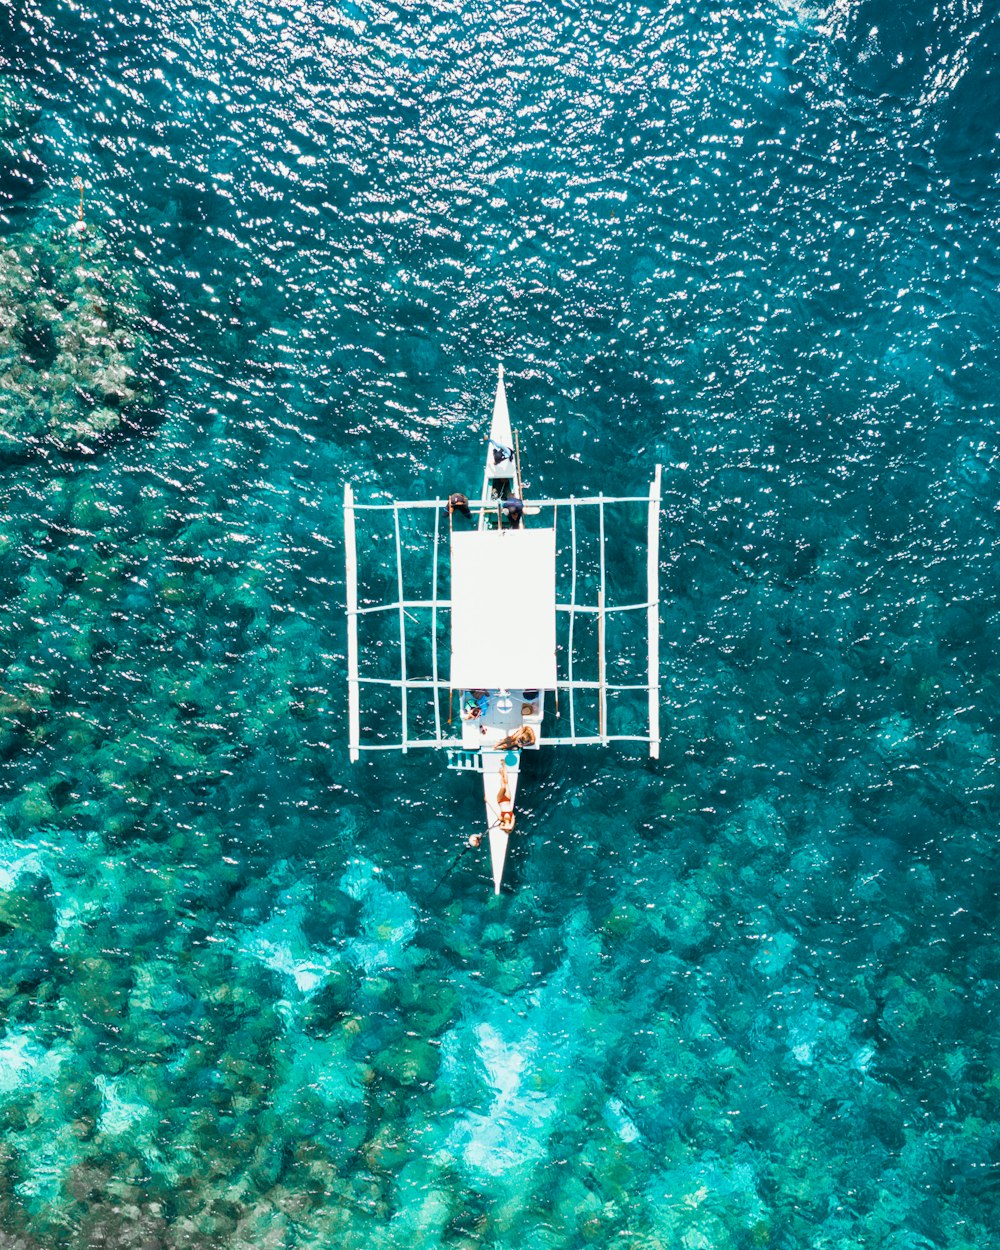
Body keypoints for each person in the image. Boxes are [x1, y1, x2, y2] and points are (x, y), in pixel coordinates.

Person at [495, 763, 515, 833]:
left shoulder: (501, 819)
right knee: (506, 783)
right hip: (508, 799)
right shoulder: (511, 818)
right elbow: (511, 826)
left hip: (500, 800)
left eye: (507, 830)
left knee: (503, 787)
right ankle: (504, 766)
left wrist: (502, 826)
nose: (508, 828)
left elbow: (501, 827)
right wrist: (505, 827)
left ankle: (501, 774)